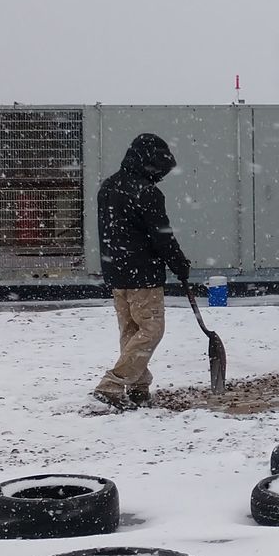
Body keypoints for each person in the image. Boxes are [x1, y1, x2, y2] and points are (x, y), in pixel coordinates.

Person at [92, 133, 191, 408]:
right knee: (151, 329)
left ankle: (138, 386)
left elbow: (109, 231)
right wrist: (179, 264)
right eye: (160, 170)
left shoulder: (109, 186)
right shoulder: (147, 192)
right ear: (150, 164)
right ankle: (111, 385)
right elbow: (162, 236)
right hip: (142, 275)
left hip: (116, 272)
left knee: (131, 330)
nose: (160, 177)